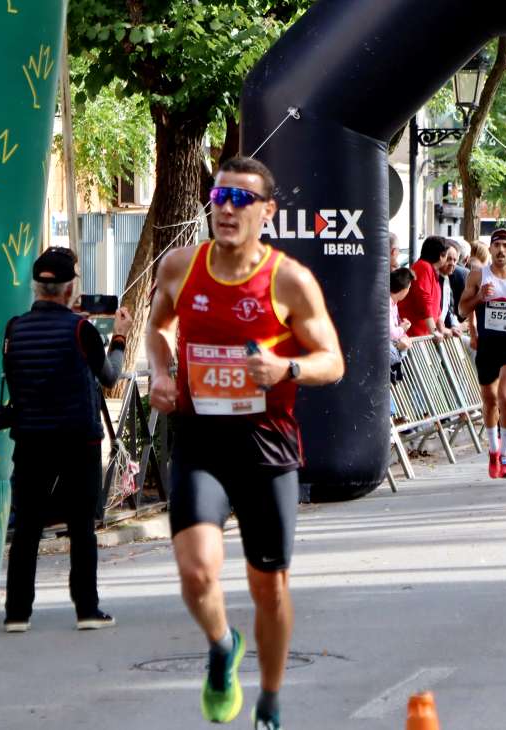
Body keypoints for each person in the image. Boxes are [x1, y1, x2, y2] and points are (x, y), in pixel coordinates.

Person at [145, 157, 345, 729]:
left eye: (241, 199)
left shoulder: (288, 280)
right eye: (220, 196)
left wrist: (286, 369)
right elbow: (159, 330)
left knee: (270, 588)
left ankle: (271, 698)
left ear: (266, 212)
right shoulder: (181, 267)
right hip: (201, 440)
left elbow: (332, 362)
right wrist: (161, 373)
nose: (227, 208)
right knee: (197, 571)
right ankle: (221, 645)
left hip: (267, 447)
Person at [2, 247, 133, 634]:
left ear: (37, 288)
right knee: (80, 526)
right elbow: (109, 377)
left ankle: (17, 614)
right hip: (79, 442)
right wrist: (120, 338)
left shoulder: (15, 328)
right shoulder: (82, 330)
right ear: (69, 288)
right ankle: (87, 610)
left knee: (26, 527)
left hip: (29, 440)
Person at [459, 229, 506, 479]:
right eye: (496, 245)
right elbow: (462, 309)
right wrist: (479, 297)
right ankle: (494, 450)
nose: (501, 250)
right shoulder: (478, 275)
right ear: (491, 249)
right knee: (489, 399)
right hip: (488, 344)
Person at [398, 236, 454, 338]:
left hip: (422, 335)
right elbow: (423, 300)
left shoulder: (431, 270)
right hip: (414, 335)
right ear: (441, 255)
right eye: (448, 256)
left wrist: (440, 327)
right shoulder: (423, 267)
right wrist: (434, 330)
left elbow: (435, 306)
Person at [389, 267, 414, 377]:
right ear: (405, 289)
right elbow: (392, 333)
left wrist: (402, 332)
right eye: (409, 288)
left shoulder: (393, 304)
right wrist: (403, 328)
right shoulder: (387, 304)